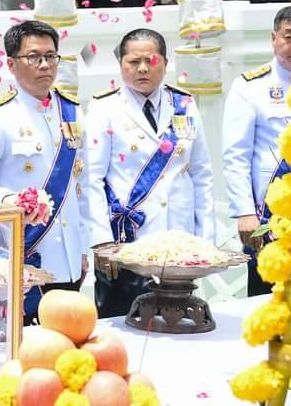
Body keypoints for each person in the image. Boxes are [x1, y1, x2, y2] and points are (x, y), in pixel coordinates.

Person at [84, 28, 214, 318]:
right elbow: (91, 178)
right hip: (126, 240)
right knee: (122, 321)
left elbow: (201, 174)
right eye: (133, 61)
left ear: (166, 63)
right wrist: (102, 241)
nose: (143, 68)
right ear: (121, 64)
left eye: (151, 60)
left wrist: (206, 239)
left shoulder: (184, 104)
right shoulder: (105, 108)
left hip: (178, 238)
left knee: (177, 320)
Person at [0, 21, 88, 324]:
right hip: (21, 254)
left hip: (67, 259)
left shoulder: (72, 111)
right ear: (11, 64)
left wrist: (83, 248)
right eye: (34, 57)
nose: (45, 65)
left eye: (51, 56)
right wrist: (10, 200)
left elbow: (82, 185)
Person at [221, 4, 291, 296]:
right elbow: (236, 156)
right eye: (289, 36)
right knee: (269, 303)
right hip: (270, 218)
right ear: (273, 38)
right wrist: (245, 213)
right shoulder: (249, 87)